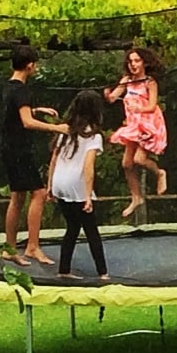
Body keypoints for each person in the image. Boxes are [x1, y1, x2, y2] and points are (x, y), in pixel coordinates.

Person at [0, 44, 69, 266]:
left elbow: (16, 112)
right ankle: (32, 247)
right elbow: (26, 122)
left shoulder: (9, 86)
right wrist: (57, 128)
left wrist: (38, 110)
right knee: (39, 193)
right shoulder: (22, 90)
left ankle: (9, 248)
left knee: (17, 197)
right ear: (30, 65)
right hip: (19, 149)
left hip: (8, 147)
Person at [47, 90, 110, 281]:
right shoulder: (94, 136)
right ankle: (103, 273)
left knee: (73, 226)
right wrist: (88, 196)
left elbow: (54, 159)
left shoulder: (65, 130)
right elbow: (88, 166)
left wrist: (50, 186)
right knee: (91, 230)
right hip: (76, 183)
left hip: (60, 181)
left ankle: (64, 269)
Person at [104, 47, 168, 218]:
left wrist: (138, 107)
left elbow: (152, 106)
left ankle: (159, 172)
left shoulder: (149, 82)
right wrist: (108, 95)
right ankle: (136, 197)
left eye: (137, 61)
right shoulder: (126, 80)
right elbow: (113, 97)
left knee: (139, 159)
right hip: (133, 125)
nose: (133, 64)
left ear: (144, 62)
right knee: (126, 164)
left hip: (148, 123)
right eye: (130, 61)